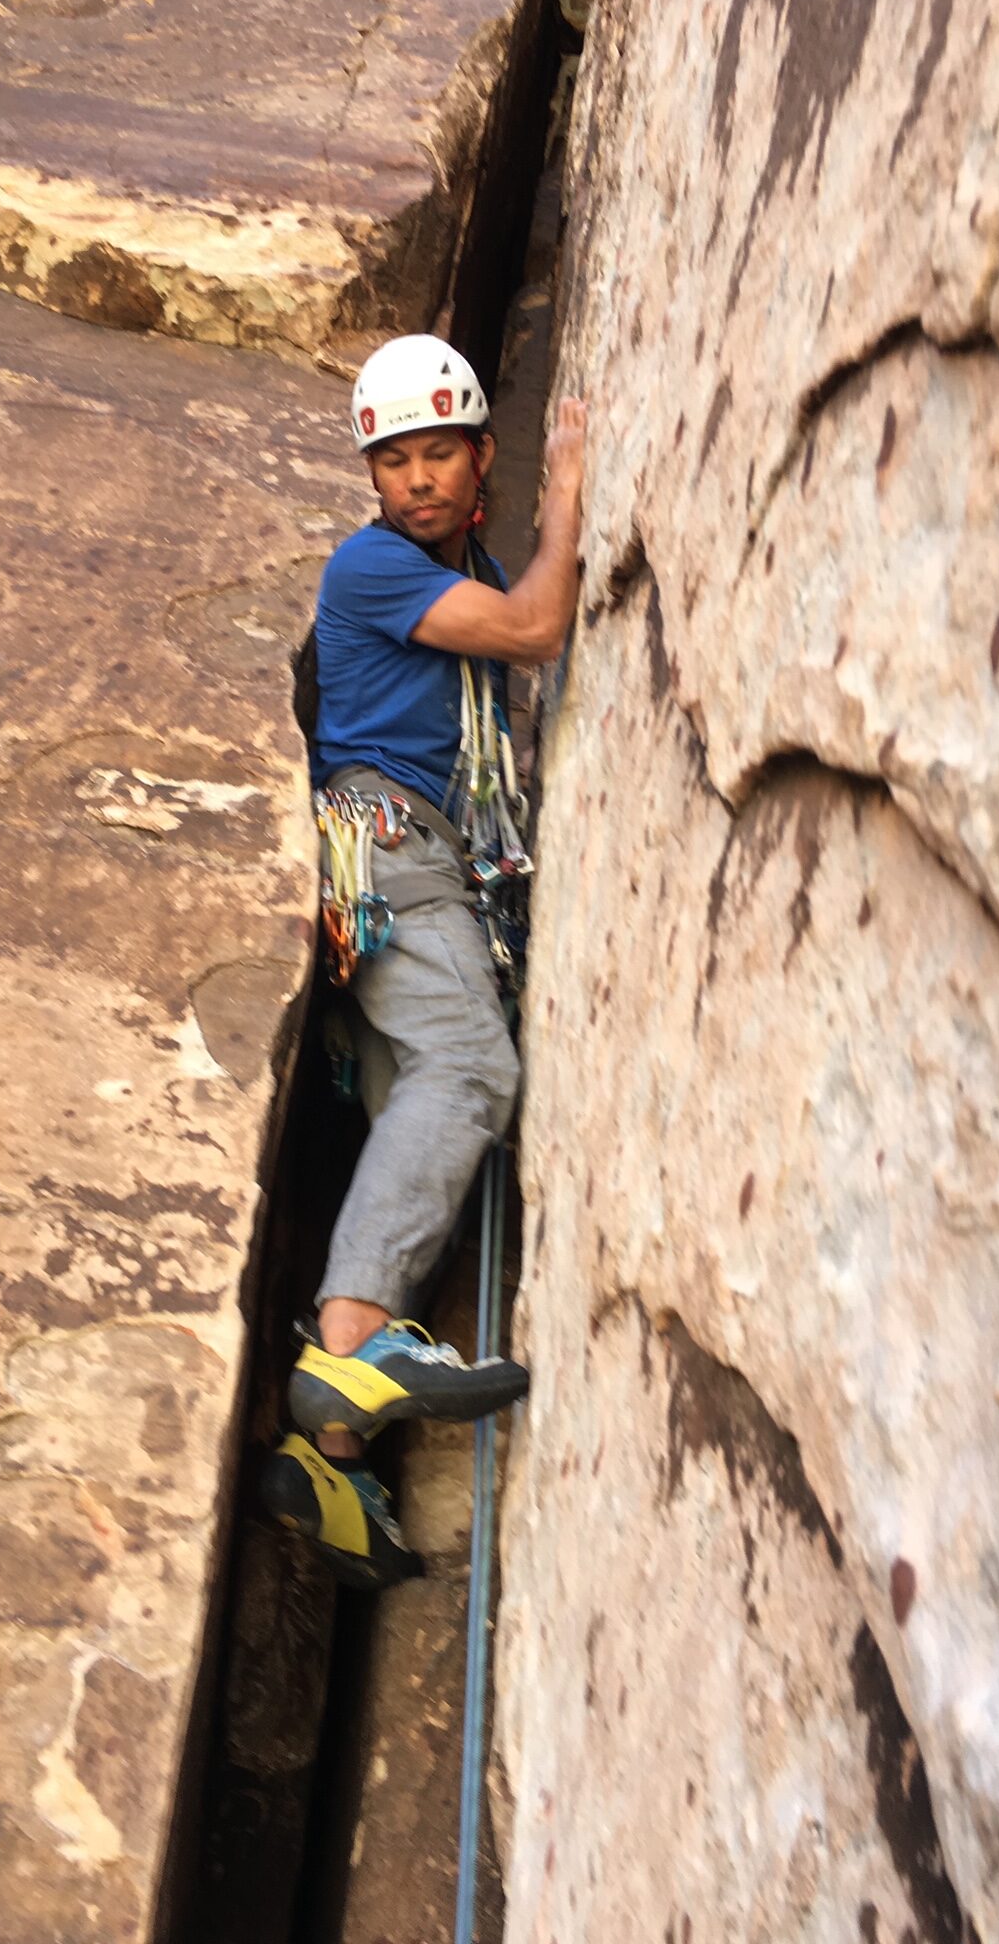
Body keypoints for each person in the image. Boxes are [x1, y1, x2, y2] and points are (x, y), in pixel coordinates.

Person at [260, 335, 587, 1587]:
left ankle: (331, 1459)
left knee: (421, 1143)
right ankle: (348, 1344)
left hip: (413, 870)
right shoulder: (374, 567)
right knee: (469, 1073)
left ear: (477, 455)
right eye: (393, 461)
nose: (416, 480)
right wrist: (570, 499)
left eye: (438, 453)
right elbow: (537, 627)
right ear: (372, 479)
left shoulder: (459, 570)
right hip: (393, 853)